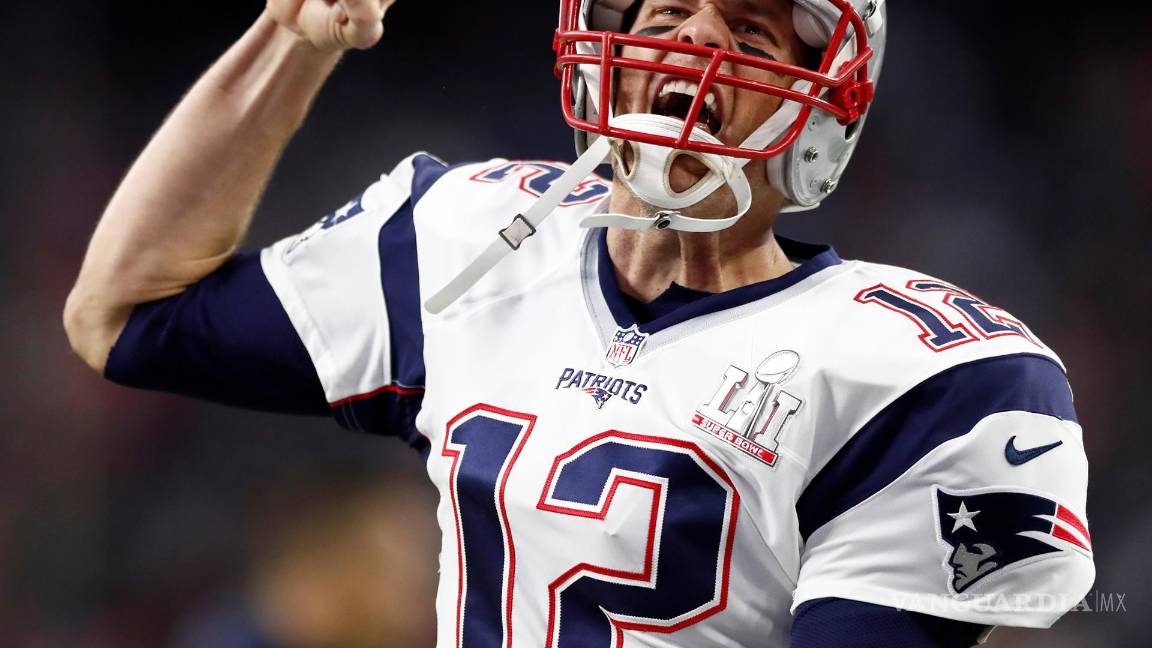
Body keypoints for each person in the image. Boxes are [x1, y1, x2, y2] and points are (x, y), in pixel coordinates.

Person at [64, 0, 1094, 645]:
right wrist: (285, 39)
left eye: (747, 31)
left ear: (818, 118)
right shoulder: (475, 236)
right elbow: (126, 311)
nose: (694, 43)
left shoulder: (940, 380)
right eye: (663, 18)